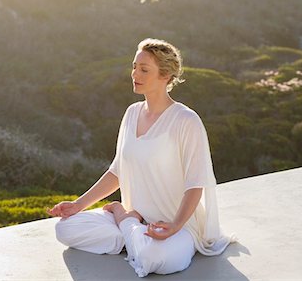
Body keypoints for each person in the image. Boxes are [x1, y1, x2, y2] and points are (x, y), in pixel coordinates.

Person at [47, 38, 236, 277]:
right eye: (134, 67)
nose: (135, 73)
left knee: (159, 260)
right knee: (65, 229)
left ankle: (126, 223)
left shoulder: (186, 121)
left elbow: (195, 184)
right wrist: (78, 205)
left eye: (144, 69)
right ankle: (132, 227)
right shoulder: (131, 113)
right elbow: (117, 171)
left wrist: (174, 226)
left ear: (165, 76)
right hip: (136, 214)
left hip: (176, 223)